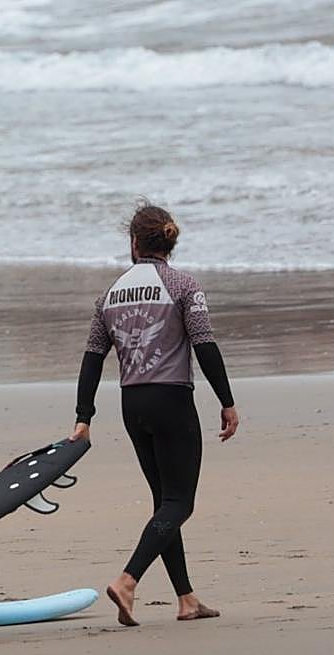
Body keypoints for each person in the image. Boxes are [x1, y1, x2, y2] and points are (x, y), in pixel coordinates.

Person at [70, 203, 239, 626]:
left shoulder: (110, 294)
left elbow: (92, 358)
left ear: (133, 243)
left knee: (164, 503)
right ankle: (128, 580)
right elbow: (204, 344)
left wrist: (84, 415)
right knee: (179, 503)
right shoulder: (183, 285)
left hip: (133, 405)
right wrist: (227, 400)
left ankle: (186, 599)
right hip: (172, 400)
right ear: (170, 240)